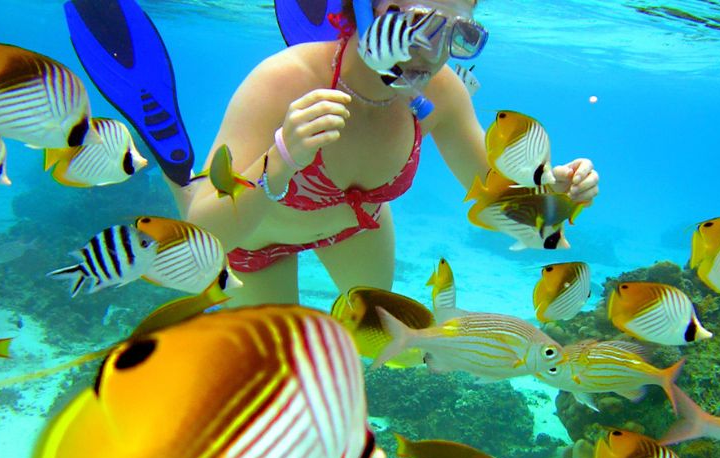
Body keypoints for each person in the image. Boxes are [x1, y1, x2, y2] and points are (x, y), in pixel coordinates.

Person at [171, 0, 600, 305]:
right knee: (280, 377)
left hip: (357, 227)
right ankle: (177, 177)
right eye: (419, 24)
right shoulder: (286, 80)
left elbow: (493, 189)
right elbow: (202, 235)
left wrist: (553, 194)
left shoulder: (442, 92)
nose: (433, 53)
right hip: (255, 240)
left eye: (459, 34)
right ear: (364, 10)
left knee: (373, 344)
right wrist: (281, 159)